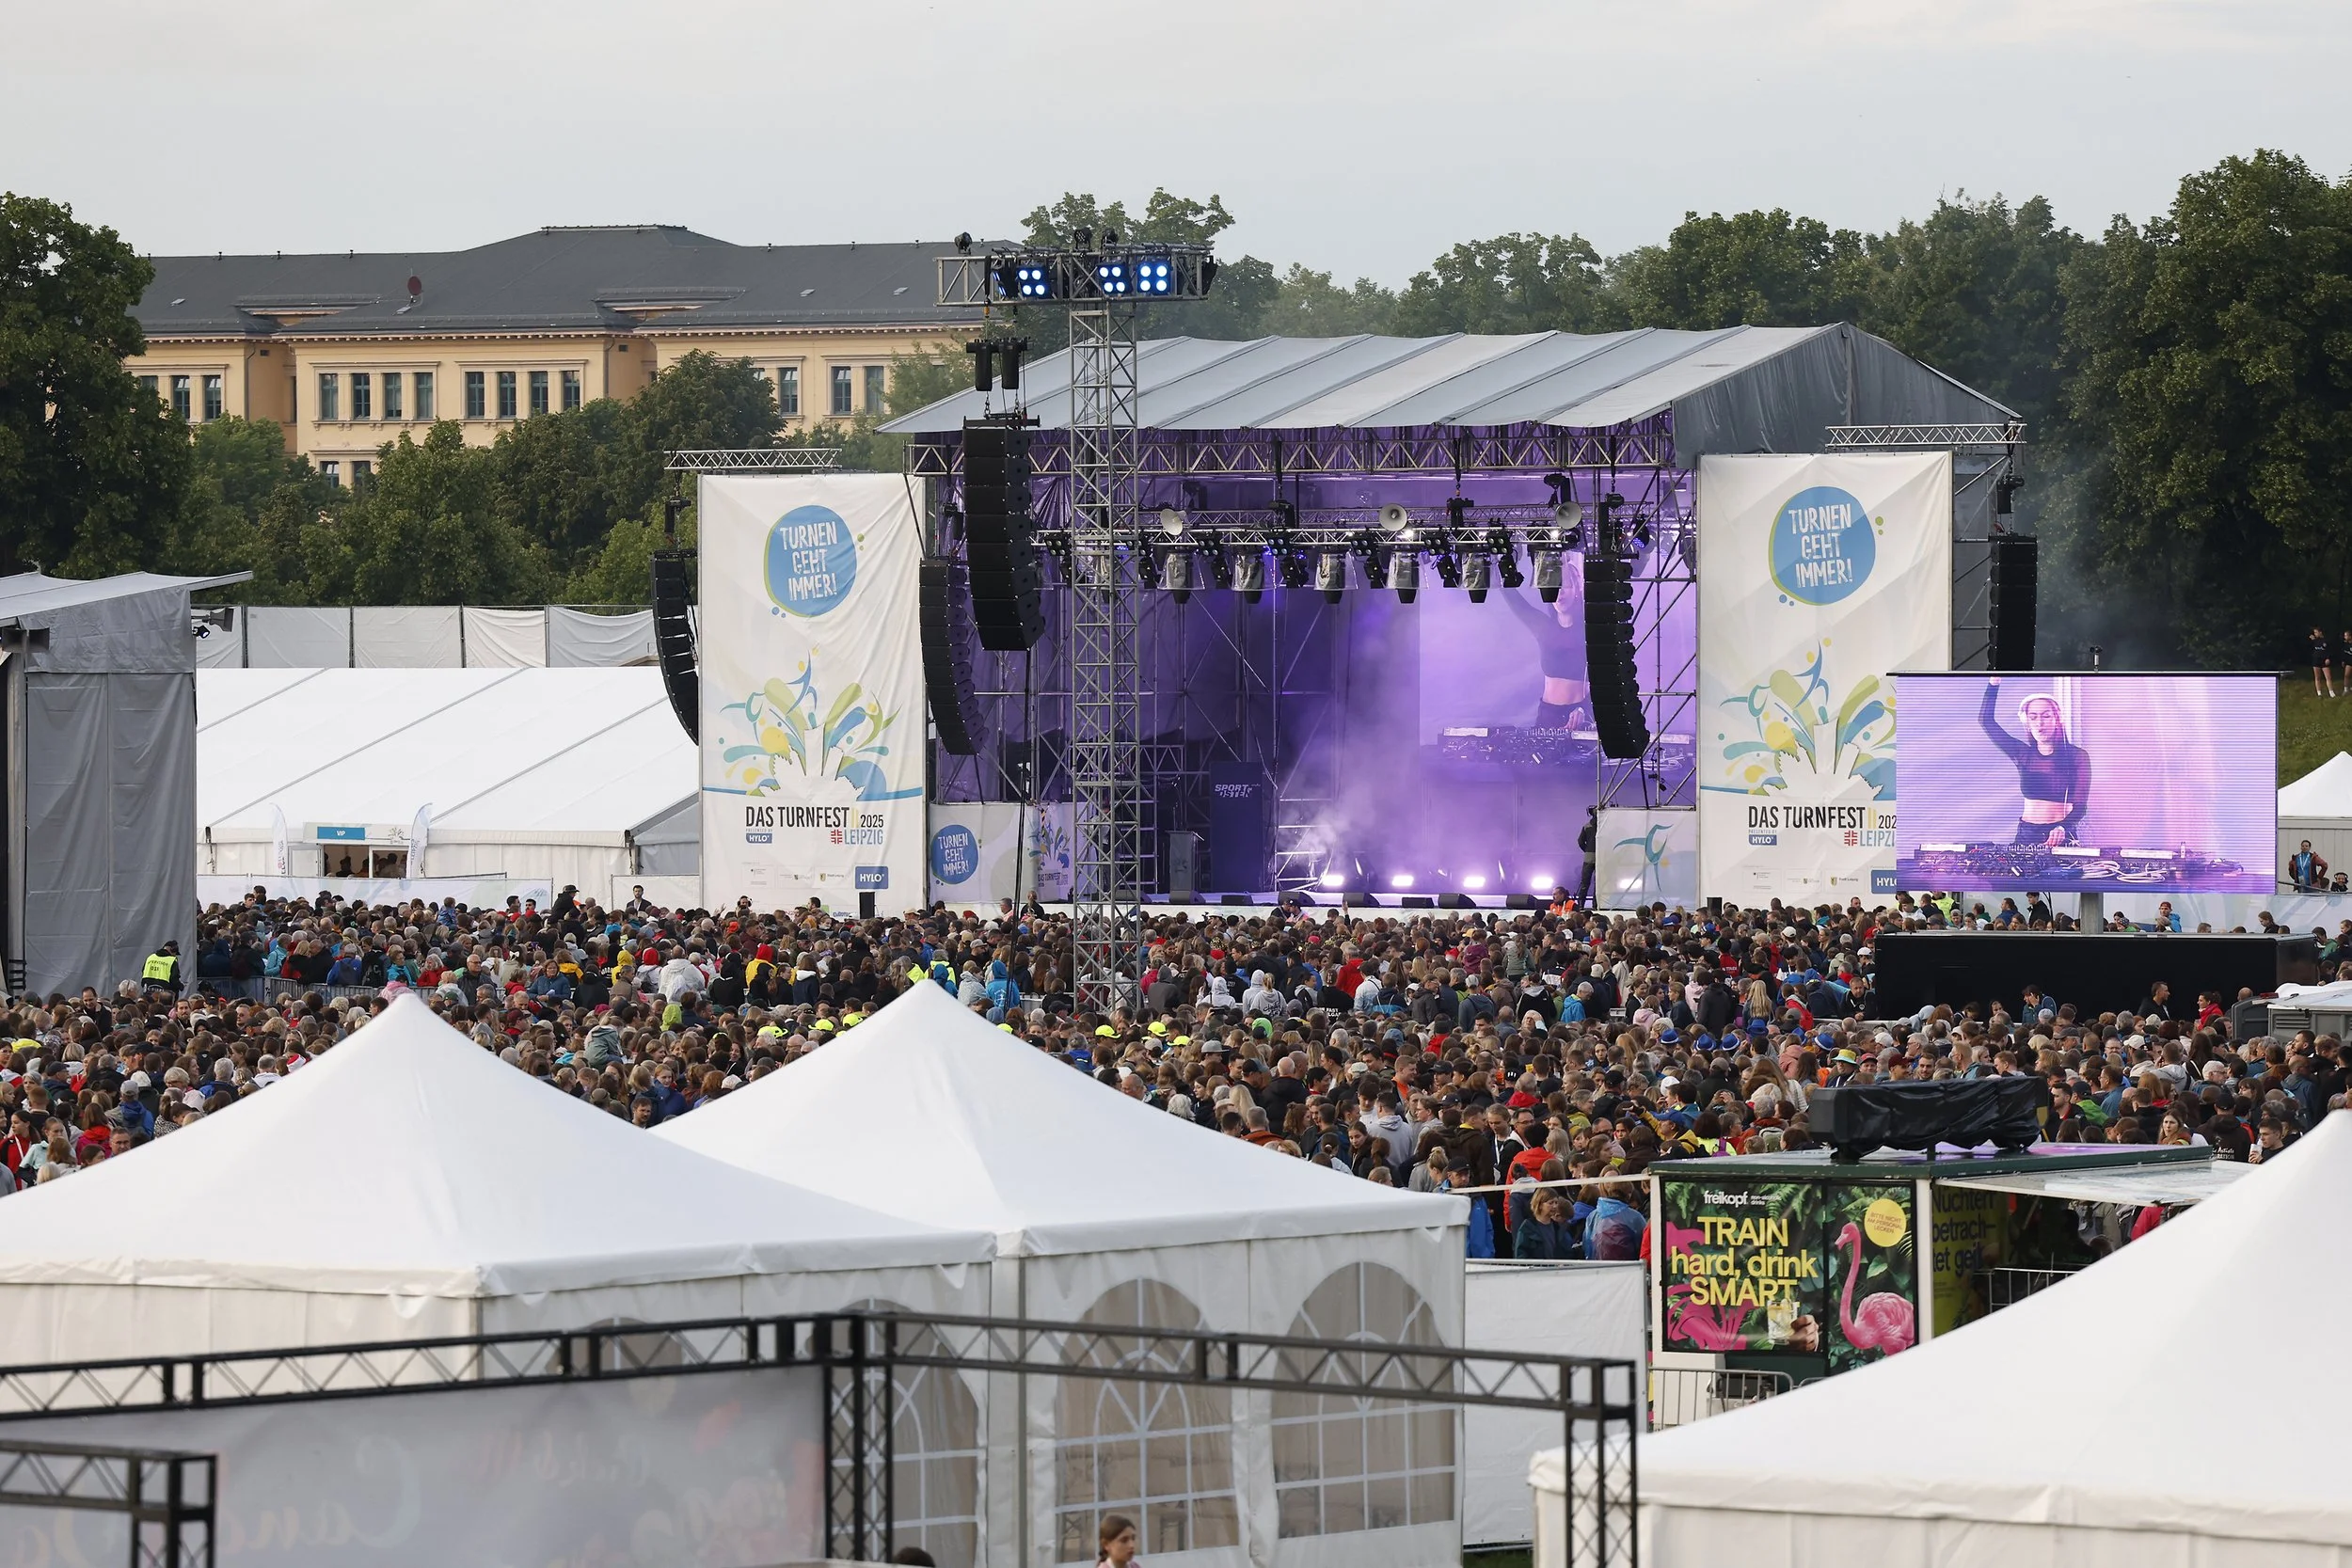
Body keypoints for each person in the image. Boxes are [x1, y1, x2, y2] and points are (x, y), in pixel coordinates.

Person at [1979, 676, 2090, 847]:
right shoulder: (2023, 754)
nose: (2040, 723)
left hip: (2060, 834)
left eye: (2046, 716)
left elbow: (2081, 806)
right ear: (2028, 723)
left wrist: (2063, 827)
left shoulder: (2077, 756)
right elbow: (1985, 720)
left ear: (2057, 718)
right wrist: (1994, 682)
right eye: (2033, 717)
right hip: (2027, 834)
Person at [1577, 807, 1598, 904]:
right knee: (1598, 884)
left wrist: (1587, 850)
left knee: (1585, 883)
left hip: (1588, 858)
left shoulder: (1587, 826)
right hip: (1601, 858)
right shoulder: (1604, 826)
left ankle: (1581, 905)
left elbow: (1580, 841)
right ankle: (1596, 905)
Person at [2313, 626, 2337, 699]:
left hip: (2324, 660)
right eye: (2314, 632)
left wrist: (2328, 658)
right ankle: (2319, 693)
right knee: (2317, 677)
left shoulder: (2326, 641)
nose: (2315, 634)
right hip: (2316, 660)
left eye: (2316, 632)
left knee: (2328, 677)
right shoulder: (2314, 641)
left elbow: (2330, 650)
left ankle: (2331, 692)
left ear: (2320, 632)